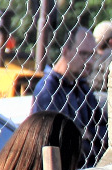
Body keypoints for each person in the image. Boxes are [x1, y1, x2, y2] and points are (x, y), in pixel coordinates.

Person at [32, 27, 106, 162]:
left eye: (92, 55)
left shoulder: (82, 89)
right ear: (65, 51)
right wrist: (85, 137)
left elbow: (101, 134)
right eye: (83, 54)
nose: (89, 61)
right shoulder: (48, 89)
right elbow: (57, 144)